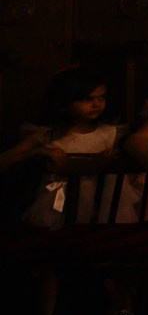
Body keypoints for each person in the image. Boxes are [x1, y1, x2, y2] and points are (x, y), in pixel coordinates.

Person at [2, 69, 123, 228]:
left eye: (102, 97)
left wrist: (112, 156)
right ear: (65, 102)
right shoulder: (46, 135)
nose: (97, 104)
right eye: (88, 99)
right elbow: (6, 159)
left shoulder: (108, 133)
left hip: (96, 200)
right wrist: (37, 152)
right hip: (56, 203)